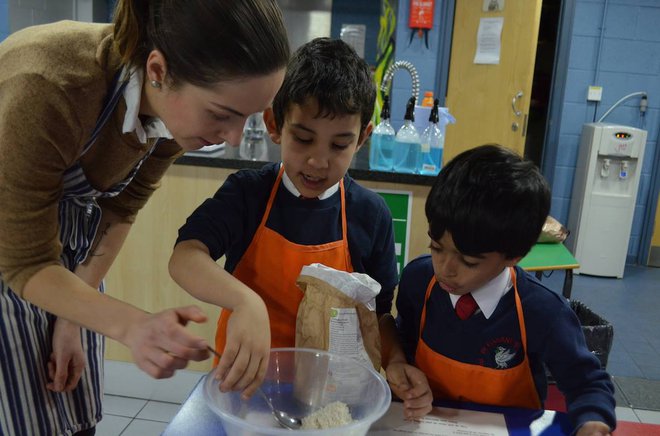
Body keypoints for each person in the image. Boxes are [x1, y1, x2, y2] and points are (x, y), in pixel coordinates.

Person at [0, 0, 289, 434]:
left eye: (246, 118)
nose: (230, 139)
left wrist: (74, 316)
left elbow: (121, 207)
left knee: (73, 413)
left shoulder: (171, 118)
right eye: (220, 115)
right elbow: (24, 261)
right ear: (158, 70)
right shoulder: (51, 86)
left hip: (66, 261)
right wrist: (132, 325)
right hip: (14, 250)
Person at [169, 37, 399, 398]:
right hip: (246, 385)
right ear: (275, 124)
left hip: (332, 392)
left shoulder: (370, 214)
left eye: (339, 145)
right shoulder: (249, 195)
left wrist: (397, 361)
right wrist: (246, 302)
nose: (318, 162)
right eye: (303, 138)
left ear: (361, 139)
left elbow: (380, 313)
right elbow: (185, 257)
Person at [380, 145, 616, 435]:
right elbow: (405, 338)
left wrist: (593, 422)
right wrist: (399, 364)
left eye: (468, 261)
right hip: (425, 424)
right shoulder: (419, 281)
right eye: (436, 247)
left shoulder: (543, 312)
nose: (445, 268)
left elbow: (587, 382)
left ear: (513, 256)